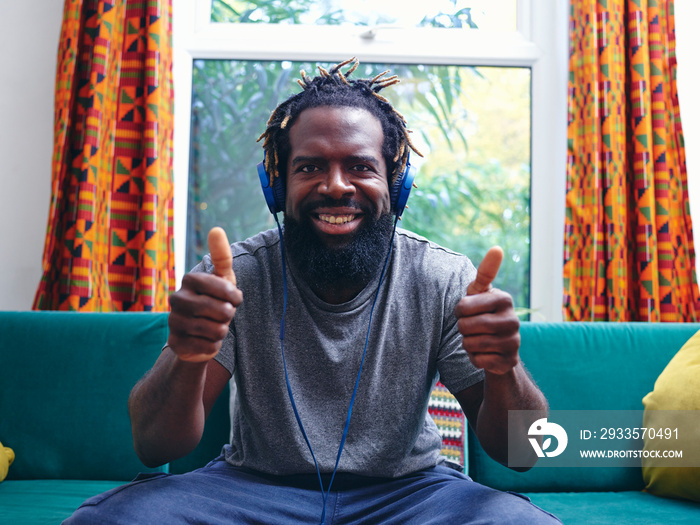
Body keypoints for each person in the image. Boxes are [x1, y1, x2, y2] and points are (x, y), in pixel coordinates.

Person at [66, 58, 559, 524]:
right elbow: (156, 448)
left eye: (361, 167)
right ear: (277, 186)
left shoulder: (441, 277)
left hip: (409, 495)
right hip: (254, 489)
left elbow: (525, 453)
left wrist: (504, 368)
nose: (336, 186)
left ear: (396, 182)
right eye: (310, 168)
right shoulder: (234, 277)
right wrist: (186, 354)